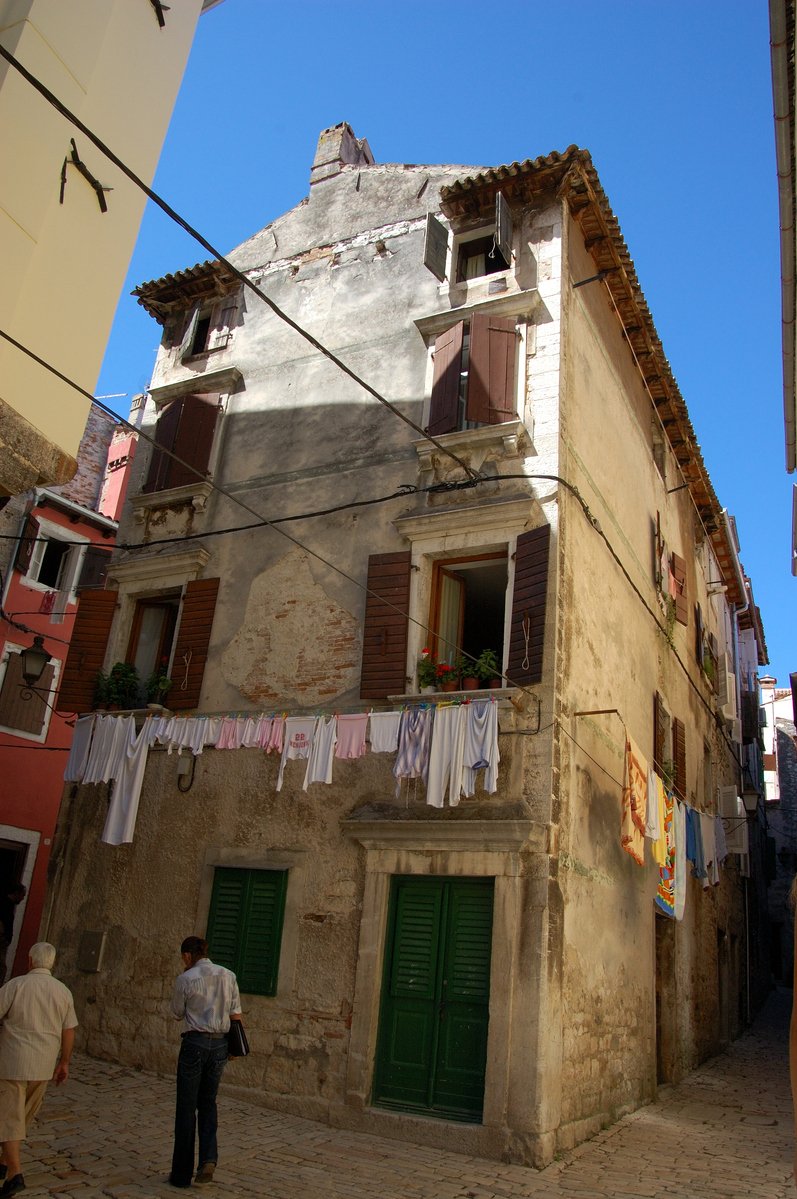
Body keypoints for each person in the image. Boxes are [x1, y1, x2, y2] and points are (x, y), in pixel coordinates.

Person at [0, 942, 77, 1197]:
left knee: (9, 1118)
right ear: (52, 963)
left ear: (30, 961)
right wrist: (64, 1062)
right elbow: (68, 1030)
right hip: (43, 1064)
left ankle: (15, 1174)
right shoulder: (62, 991)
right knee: (20, 1117)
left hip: (13, 1062)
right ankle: (3, 1163)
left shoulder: (16, 986)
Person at [169, 936, 242, 1188]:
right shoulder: (228, 975)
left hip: (195, 1044)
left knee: (187, 1106)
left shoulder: (186, 979)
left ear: (188, 956)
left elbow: (178, 1012)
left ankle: (181, 1174)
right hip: (220, 1044)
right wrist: (233, 1047)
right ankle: (208, 1158)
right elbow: (236, 1015)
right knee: (208, 1103)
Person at [0, 886, 26, 987]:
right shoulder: (5, 904)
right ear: (16, 893)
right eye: (22, 895)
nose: (23, 898)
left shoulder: (8, 904)